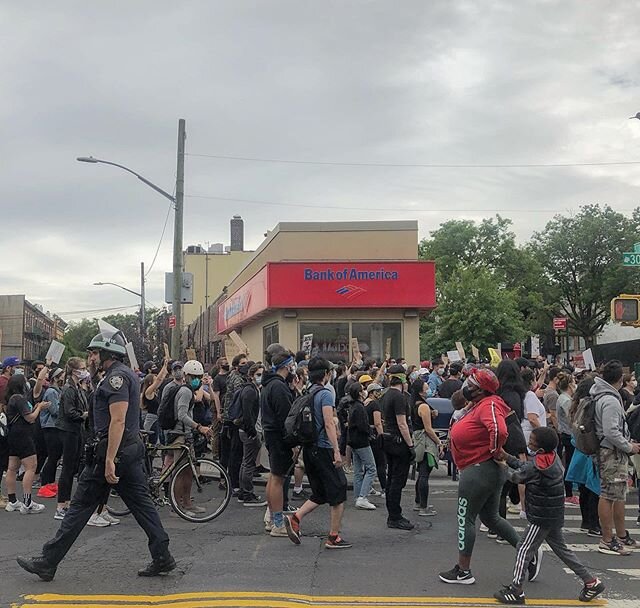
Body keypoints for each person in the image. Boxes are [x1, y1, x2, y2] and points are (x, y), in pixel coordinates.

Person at [17, 329, 175, 581]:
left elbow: (119, 419)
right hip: (126, 452)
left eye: (93, 353)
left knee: (79, 507)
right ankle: (162, 556)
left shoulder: (116, 379)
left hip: (112, 455)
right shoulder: (117, 376)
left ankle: (48, 561)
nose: (89, 358)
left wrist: (110, 458)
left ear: (106, 354)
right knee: (143, 507)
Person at [493, 427, 605, 604]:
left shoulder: (537, 466)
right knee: (562, 550)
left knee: (523, 549)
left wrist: (502, 466)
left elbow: (516, 477)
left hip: (541, 516)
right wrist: (508, 457)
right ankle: (591, 582)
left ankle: (516, 590)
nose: (528, 444)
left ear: (540, 450)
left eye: (531, 443)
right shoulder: (552, 458)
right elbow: (525, 466)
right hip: (553, 513)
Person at [439, 369, 522, 585]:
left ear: (480, 389)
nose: (466, 385)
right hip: (482, 468)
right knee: (490, 518)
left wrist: (495, 451)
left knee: (465, 518)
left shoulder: (489, 404)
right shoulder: (481, 404)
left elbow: (499, 430)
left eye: (471, 383)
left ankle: (463, 570)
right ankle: (526, 552)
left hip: (478, 468)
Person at [284, 357, 351, 549]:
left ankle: (296, 517)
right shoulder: (325, 394)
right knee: (339, 490)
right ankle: (333, 537)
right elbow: (329, 423)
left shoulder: (308, 392)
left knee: (320, 492)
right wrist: (337, 451)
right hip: (323, 449)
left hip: (309, 448)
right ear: (327, 374)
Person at [591, 360, 639, 555]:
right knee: (608, 494)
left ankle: (619, 535)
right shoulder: (609, 399)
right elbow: (611, 431)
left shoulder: (602, 395)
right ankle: (608, 538)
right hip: (611, 451)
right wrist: (629, 446)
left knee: (618, 493)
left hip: (611, 450)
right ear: (620, 379)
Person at [163, 359, 212, 515]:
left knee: (188, 471)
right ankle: (178, 506)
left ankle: (187, 503)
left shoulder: (187, 390)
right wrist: (199, 427)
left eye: (198, 376)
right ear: (186, 375)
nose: (196, 379)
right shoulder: (185, 391)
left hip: (185, 435)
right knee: (180, 472)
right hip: (179, 435)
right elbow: (182, 415)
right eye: (193, 376)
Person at [260, 349, 296, 537]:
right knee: (278, 479)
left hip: (270, 434)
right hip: (278, 437)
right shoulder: (278, 387)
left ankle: (271, 518)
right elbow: (286, 417)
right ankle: (277, 522)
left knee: (274, 478)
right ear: (286, 366)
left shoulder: (268, 385)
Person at [4, 374, 50, 514]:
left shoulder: (10, 399)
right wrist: (39, 408)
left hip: (12, 435)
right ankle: (28, 501)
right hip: (23, 435)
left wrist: (34, 408)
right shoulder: (19, 398)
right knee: (31, 466)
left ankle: (12, 501)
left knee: (12, 468)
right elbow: (30, 418)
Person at [54, 357, 89, 521]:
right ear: (75, 371)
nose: (85, 370)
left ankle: (66, 502)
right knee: (67, 468)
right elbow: (69, 412)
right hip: (68, 430)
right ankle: (61, 505)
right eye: (83, 368)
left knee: (72, 466)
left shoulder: (76, 387)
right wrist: (84, 415)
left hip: (75, 430)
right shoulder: (69, 389)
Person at [381, 364, 415, 530]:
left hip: (388, 440)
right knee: (397, 480)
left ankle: (392, 514)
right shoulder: (399, 397)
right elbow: (402, 423)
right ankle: (395, 516)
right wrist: (410, 445)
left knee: (391, 478)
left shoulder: (385, 395)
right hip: (399, 442)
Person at [566, 376, 601, 537]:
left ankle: (586, 521)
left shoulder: (575, 405)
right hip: (588, 451)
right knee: (593, 489)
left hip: (578, 450)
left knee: (583, 490)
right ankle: (594, 524)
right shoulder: (589, 406)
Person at [411, 378, 443, 519]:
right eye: (426, 387)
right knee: (425, 473)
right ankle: (423, 506)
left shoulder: (415, 404)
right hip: (425, 442)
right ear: (421, 391)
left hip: (417, 439)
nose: (428, 389)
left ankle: (418, 502)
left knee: (421, 473)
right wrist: (439, 442)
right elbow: (428, 429)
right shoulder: (423, 406)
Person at [237, 362, 267, 506]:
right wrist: (253, 432)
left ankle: (244, 492)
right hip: (250, 430)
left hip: (249, 429)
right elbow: (248, 414)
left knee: (245, 462)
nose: (260, 377)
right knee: (248, 463)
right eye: (258, 374)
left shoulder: (254, 389)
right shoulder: (250, 391)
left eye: (262, 375)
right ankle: (248, 494)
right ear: (251, 375)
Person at [346, 383, 377, 511]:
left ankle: (358, 496)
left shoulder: (353, 406)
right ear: (359, 393)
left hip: (353, 441)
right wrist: (370, 432)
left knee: (358, 471)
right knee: (371, 468)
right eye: (363, 390)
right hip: (362, 441)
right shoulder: (360, 407)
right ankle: (363, 497)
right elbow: (363, 425)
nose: (364, 391)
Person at [37, 368, 65, 499]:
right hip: (51, 427)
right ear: (56, 377)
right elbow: (55, 410)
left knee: (55, 457)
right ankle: (45, 484)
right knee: (53, 456)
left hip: (54, 427)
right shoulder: (52, 392)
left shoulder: (56, 391)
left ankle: (51, 482)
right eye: (61, 376)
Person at [555, 370, 579, 506]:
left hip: (567, 433)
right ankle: (568, 493)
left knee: (569, 462)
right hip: (569, 435)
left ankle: (569, 492)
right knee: (570, 463)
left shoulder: (564, 398)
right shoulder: (565, 400)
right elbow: (572, 417)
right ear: (570, 385)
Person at [364, 382, 386, 496]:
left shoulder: (365, 403)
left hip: (367, 435)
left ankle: (367, 487)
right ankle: (384, 488)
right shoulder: (375, 404)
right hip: (375, 436)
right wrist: (381, 435)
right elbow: (377, 423)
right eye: (378, 391)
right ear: (372, 393)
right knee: (380, 463)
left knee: (368, 464)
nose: (380, 393)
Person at [140, 359, 168, 445]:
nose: (157, 382)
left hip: (157, 419)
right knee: (151, 443)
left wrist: (165, 369)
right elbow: (159, 380)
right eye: (154, 380)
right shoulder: (148, 392)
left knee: (155, 443)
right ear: (150, 382)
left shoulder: (155, 392)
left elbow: (161, 378)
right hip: (151, 419)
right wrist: (164, 366)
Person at [211, 356, 229, 459]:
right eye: (225, 363)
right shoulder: (217, 379)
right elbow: (216, 396)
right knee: (217, 431)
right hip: (220, 407)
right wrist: (218, 412)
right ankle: (216, 453)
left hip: (228, 407)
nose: (227, 365)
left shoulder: (230, 376)